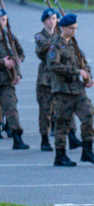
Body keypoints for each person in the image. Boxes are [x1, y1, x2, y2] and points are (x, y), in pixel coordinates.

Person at [48, 14, 94, 166]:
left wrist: (88, 77)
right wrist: (77, 72)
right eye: (71, 29)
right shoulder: (55, 45)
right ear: (62, 28)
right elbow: (53, 65)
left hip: (77, 90)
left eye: (75, 29)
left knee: (88, 114)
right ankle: (60, 155)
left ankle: (87, 150)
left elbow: (83, 62)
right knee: (62, 122)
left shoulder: (74, 44)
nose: (74, 31)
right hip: (63, 90)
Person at [0, 8, 28, 150]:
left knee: (11, 108)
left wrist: (17, 71)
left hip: (6, 81)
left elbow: (19, 54)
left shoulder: (9, 37)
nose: (1, 22)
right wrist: (3, 62)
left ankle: (17, 136)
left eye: (4, 20)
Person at [35, 8, 59, 151]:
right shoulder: (40, 36)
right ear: (44, 21)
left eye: (55, 18)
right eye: (49, 19)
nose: (52, 21)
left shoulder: (61, 36)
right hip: (45, 77)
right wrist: (58, 41)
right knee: (45, 111)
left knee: (59, 109)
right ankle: (44, 139)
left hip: (58, 77)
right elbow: (44, 47)